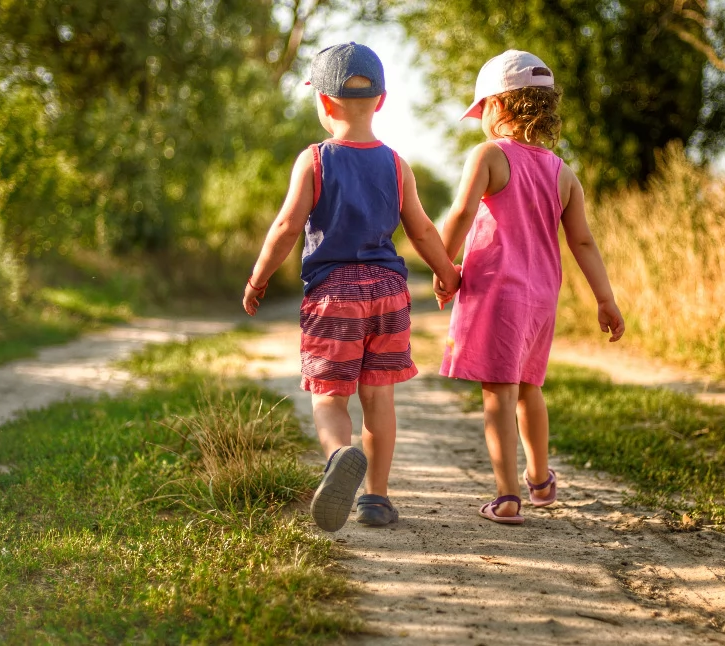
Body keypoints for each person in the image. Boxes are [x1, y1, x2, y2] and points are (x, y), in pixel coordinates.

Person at [243, 42, 461, 531]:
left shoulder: (315, 160)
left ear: (323, 103)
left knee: (329, 396)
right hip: (388, 292)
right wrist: (448, 273)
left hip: (332, 295)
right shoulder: (395, 163)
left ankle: (340, 455)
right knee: (378, 397)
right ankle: (377, 498)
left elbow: (285, 227)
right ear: (380, 101)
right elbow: (423, 230)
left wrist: (258, 279)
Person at [435, 50, 625, 525]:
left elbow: (459, 214)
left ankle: (506, 494)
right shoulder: (563, 173)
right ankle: (540, 479)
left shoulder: (489, 156)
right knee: (527, 387)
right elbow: (582, 240)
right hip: (541, 296)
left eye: (481, 110)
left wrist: (443, 266)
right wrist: (606, 298)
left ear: (498, 105)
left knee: (497, 392)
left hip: (498, 291)